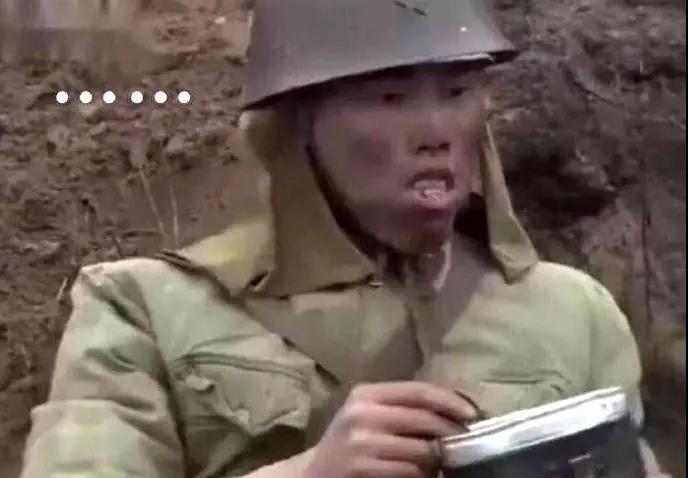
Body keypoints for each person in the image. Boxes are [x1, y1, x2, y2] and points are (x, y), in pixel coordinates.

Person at [21, 1, 670, 477]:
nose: (435, 131)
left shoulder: (571, 312)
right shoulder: (142, 309)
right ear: (299, 127)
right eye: (389, 98)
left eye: (456, 91)